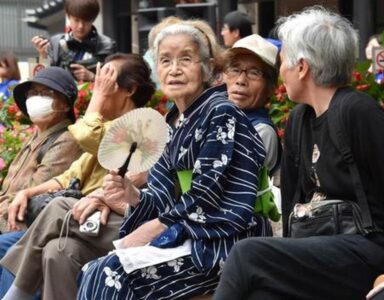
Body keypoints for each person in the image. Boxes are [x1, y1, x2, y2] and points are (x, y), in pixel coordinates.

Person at [213, 6, 384, 300]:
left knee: (246, 252)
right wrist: (286, 259)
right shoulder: (299, 119)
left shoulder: (359, 113)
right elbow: (292, 206)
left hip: (373, 248)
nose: (281, 69)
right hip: (323, 247)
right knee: (261, 292)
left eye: (283, 59)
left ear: (302, 67)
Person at [77, 21, 271, 299]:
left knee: (109, 274)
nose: (175, 69)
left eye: (186, 59)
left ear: (206, 67)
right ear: (157, 69)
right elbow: (161, 198)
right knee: (91, 270)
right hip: (188, 237)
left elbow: (208, 195)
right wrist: (131, 194)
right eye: (165, 60)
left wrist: (150, 230)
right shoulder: (172, 125)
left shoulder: (221, 113)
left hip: (226, 243)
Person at [0, 53, 154, 300]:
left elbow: (84, 135)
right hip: (80, 219)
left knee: (48, 214)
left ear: (130, 89)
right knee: (56, 251)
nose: (98, 85)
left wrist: (98, 97)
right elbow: (71, 175)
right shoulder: (110, 126)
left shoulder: (142, 128)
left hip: (110, 219)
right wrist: (27, 193)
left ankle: (15, 295)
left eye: (107, 79)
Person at [0, 66, 82, 233]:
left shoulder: (67, 139)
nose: (36, 98)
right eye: (33, 93)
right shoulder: (37, 135)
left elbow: (32, 195)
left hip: (20, 227)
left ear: (65, 105)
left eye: (46, 93)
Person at [223, 33, 280, 173]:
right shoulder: (220, 118)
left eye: (254, 73)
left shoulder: (260, 132)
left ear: (271, 88)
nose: (241, 80)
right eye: (235, 70)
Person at [31, 0, 115, 82]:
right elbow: (43, 78)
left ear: (93, 19)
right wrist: (43, 55)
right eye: (76, 20)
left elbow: (115, 79)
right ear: (68, 16)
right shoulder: (56, 42)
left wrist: (92, 77)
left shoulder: (107, 45)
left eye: (86, 21)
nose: (80, 26)